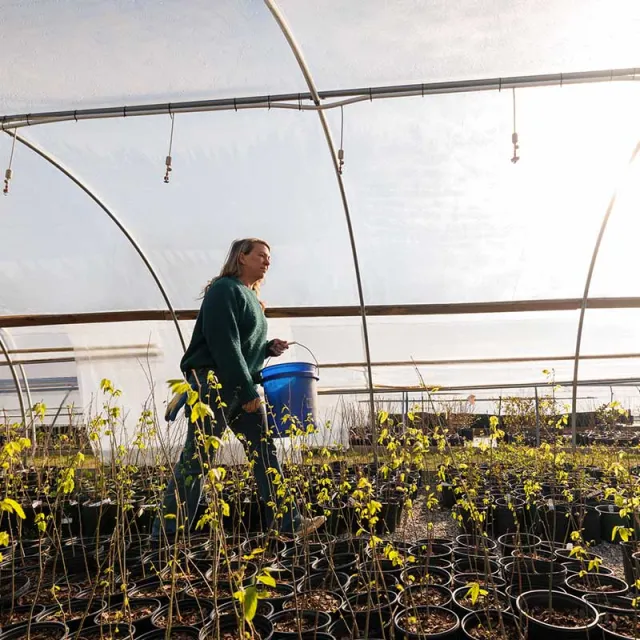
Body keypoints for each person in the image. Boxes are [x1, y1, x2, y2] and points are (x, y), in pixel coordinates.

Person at [152, 238, 325, 541]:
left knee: (263, 451)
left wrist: (267, 348)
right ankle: (166, 536)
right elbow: (225, 344)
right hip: (215, 386)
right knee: (198, 458)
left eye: (269, 257)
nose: (267, 261)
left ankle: (288, 522)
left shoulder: (252, 300)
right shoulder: (224, 290)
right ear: (241, 258)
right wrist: (248, 394)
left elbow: (245, 349)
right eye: (261, 255)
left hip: (237, 384)